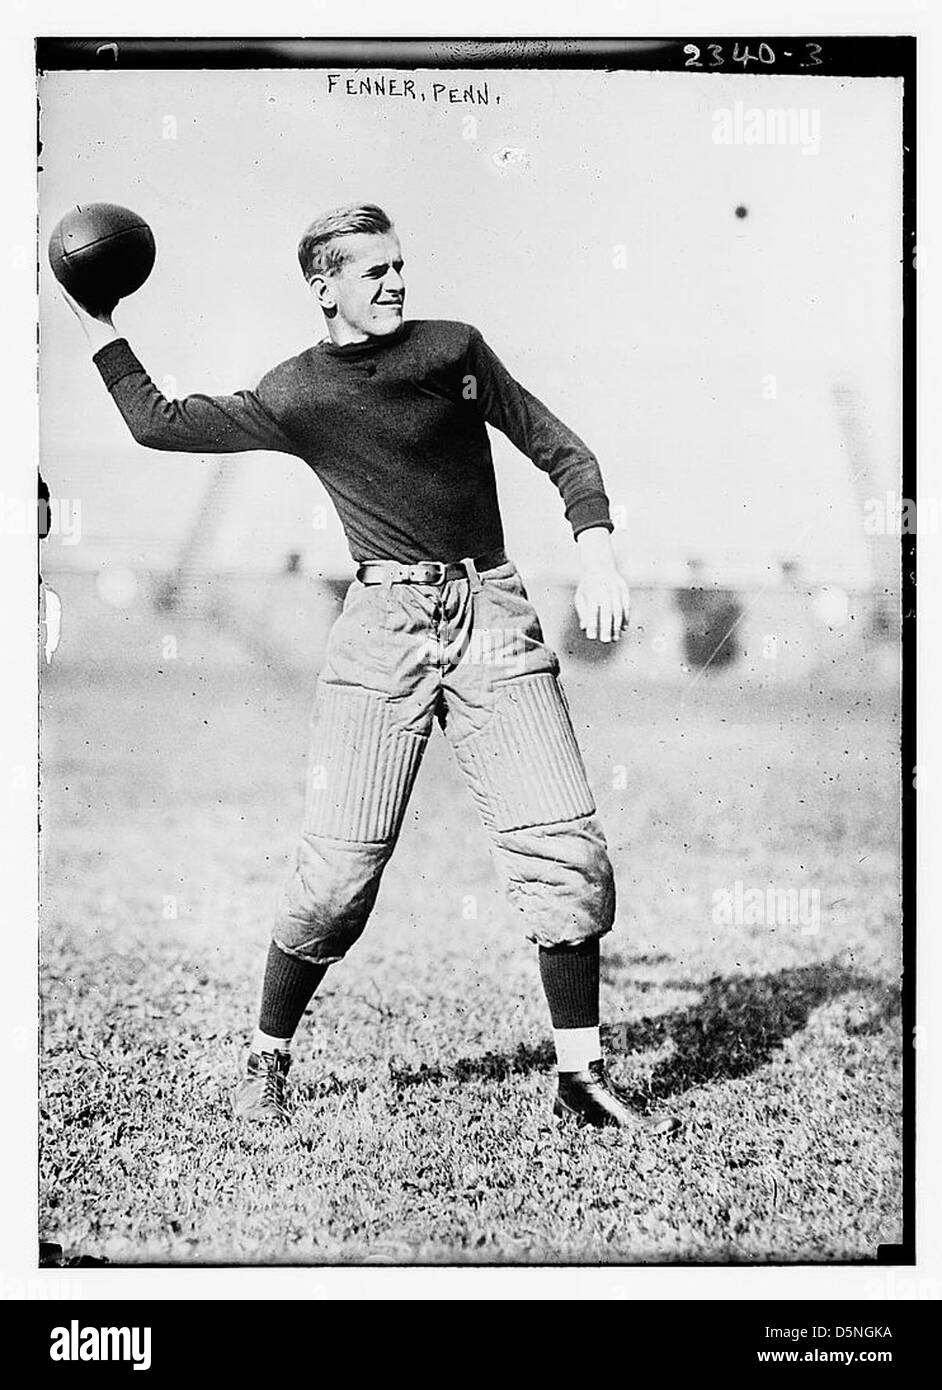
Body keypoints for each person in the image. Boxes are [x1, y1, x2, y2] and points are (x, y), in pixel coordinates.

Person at [63, 202, 679, 1136]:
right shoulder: (299, 392)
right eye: (372, 270)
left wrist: (595, 549)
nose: (394, 282)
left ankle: (580, 1078)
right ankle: (265, 1060)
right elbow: (158, 424)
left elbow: (561, 447)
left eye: (399, 265)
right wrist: (97, 322)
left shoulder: (455, 350)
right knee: (337, 878)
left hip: (492, 615)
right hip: (382, 629)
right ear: (324, 287)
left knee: (566, 855)